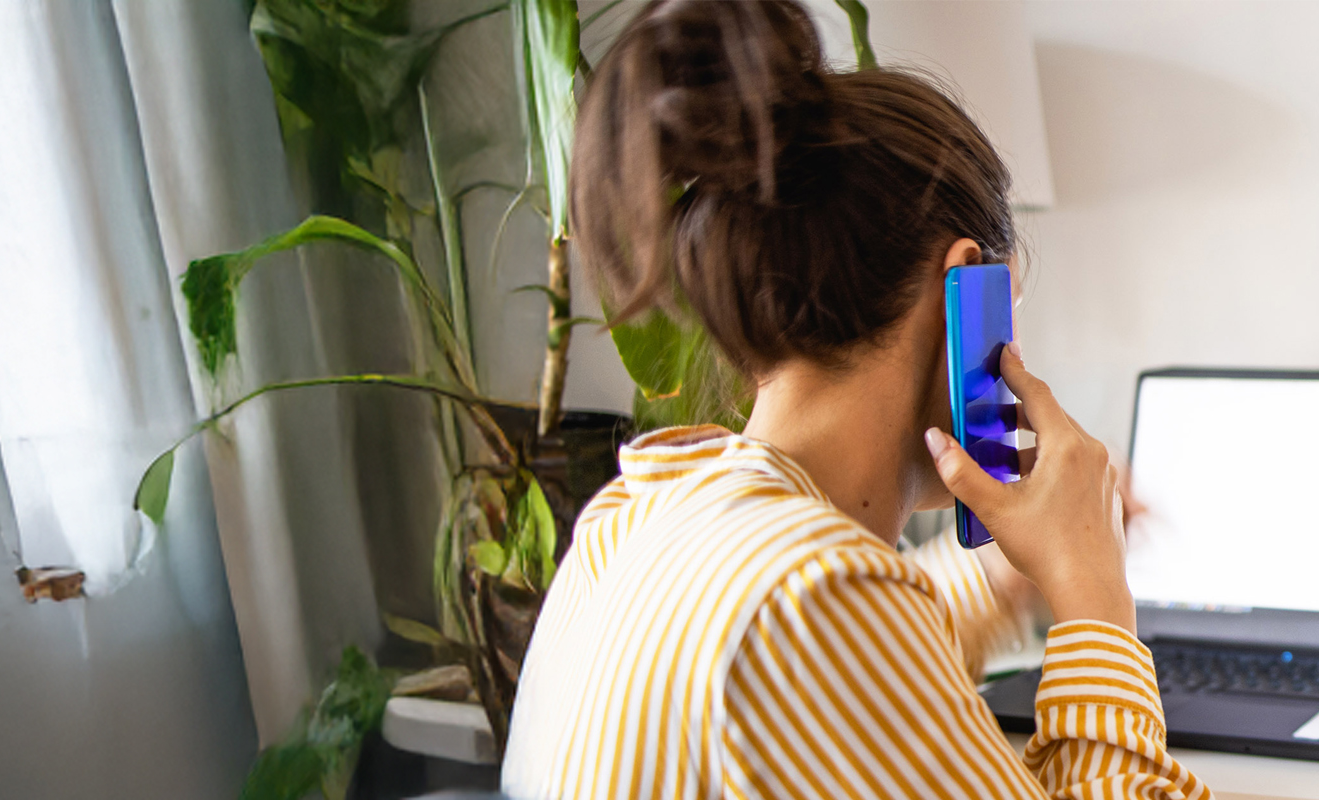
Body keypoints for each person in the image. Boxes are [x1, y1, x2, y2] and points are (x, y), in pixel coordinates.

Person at [500, 2, 1206, 798]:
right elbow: (827, 631)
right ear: (967, 290)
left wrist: (1006, 578)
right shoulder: (819, 599)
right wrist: (1094, 600)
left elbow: (840, 674)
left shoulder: (630, 520)